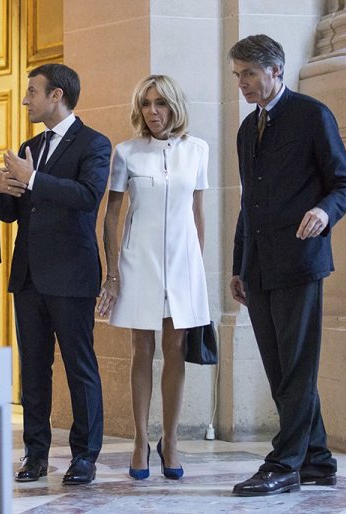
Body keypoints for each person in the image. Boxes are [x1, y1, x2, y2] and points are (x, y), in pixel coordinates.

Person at [227, 34, 346, 496]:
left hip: (301, 261)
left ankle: (285, 462)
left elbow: (345, 184)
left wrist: (324, 212)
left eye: (248, 73)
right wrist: (238, 265)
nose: (241, 83)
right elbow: (249, 203)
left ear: (276, 70)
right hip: (259, 266)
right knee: (281, 367)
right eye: (237, 74)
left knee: (297, 366)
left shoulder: (311, 115)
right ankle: (317, 459)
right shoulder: (247, 129)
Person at [0, 63, 111, 485]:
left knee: (79, 366)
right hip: (29, 276)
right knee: (34, 370)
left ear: (56, 95)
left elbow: (87, 197)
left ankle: (84, 457)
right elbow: (14, 210)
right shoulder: (29, 145)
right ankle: (34, 455)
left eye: (32, 92)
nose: (25, 99)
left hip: (72, 275)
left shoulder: (94, 143)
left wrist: (32, 177)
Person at [97, 75, 210, 480]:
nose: (153, 111)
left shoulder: (198, 150)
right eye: (146, 104)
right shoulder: (126, 152)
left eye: (160, 103)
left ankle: (172, 439)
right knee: (141, 349)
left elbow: (198, 213)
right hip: (137, 261)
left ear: (175, 106)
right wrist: (112, 272)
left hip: (182, 264)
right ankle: (140, 440)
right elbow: (111, 215)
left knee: (175, 350)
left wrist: (198, 268)